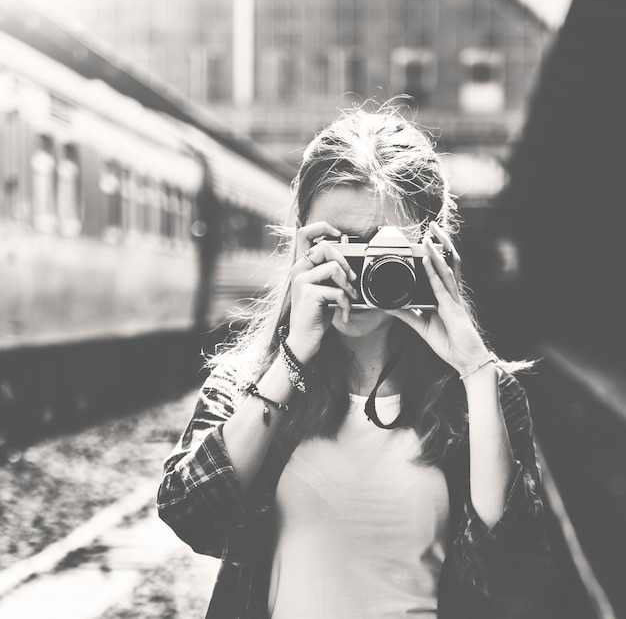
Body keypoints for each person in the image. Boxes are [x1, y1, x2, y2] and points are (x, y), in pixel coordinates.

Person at [157, 105, 548, 619]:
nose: (355, 273)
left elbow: (511, 566)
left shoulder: (480, 396)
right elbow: (191, 515)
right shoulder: (247, 383)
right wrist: (293, 356)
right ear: (300, 241)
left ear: (434, 251)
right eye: (335, 243)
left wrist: (475, 369)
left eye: (383, 250)